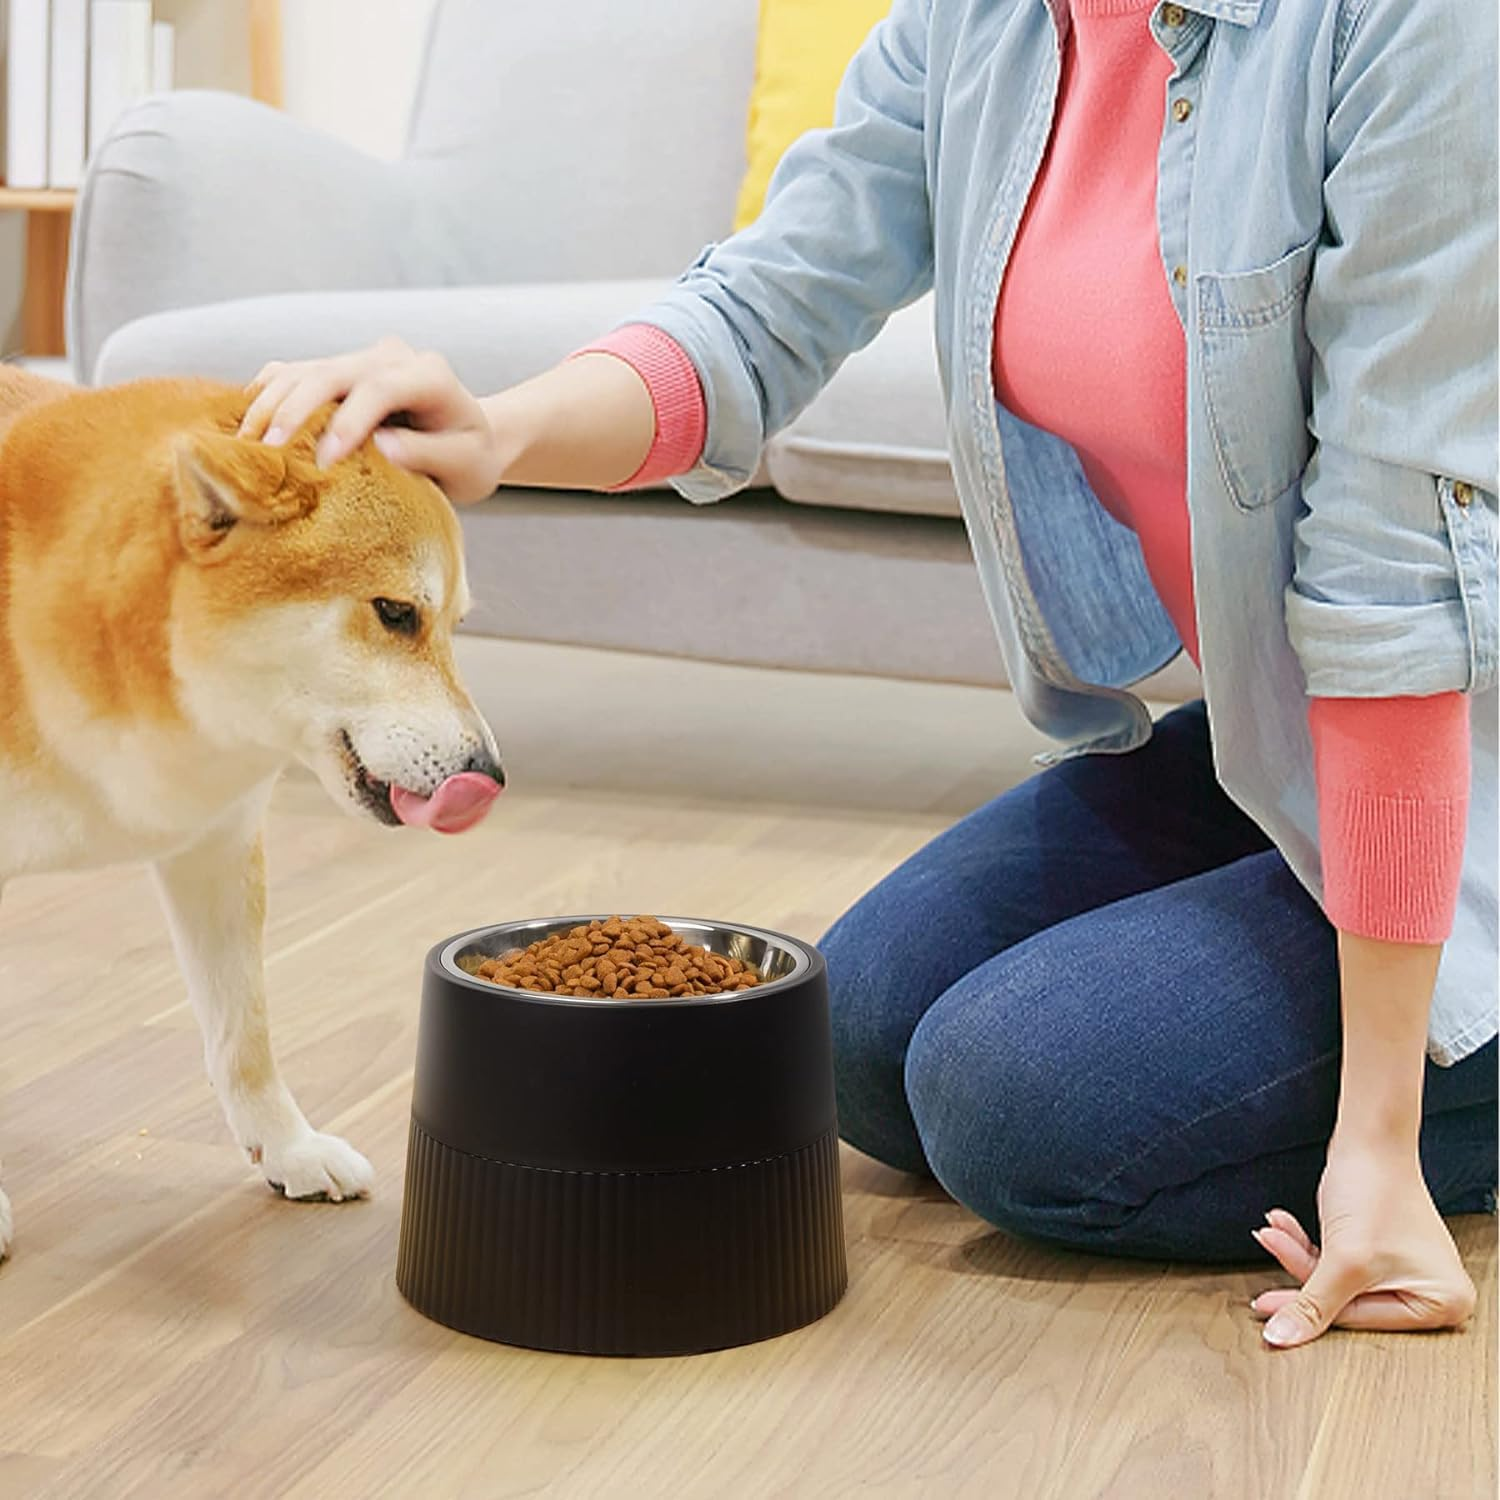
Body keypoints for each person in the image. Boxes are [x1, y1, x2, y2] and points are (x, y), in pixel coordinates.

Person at [241, 0, 1497, 1349]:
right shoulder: (984, 22)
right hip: (1280, 723)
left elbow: (1394, 590)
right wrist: (495, 431)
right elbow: (763, 309)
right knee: (853, 1041)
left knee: (1016, 1114)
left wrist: (1381, 1140)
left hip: (1452, 720)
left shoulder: (1412, 26)